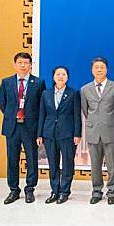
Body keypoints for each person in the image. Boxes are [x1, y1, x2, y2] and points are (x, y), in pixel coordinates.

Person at [0, 52, 46, 204]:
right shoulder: (6, 82)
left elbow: (41, 107)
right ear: (15, 65)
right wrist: (13, 115)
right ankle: (13, 190)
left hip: (30, 127)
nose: (23, 65)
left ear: (31, 65)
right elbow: (2, 103)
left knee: (32, 159)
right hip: (12, 126)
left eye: (26, 63)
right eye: (20, 62)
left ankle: (30, 189)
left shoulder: (38, 83)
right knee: (12, 159)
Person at [37, 66, 81, 204]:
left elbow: (76, 115)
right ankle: (55, 191)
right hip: (49, 133)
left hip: (67, 133)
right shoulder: (46, 94)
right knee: (53, 164)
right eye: (58, 74)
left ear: (67, 77)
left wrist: (77, 133)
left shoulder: (73, 93)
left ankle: (64, 192)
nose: (60, 76)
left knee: (68, 163)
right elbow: (42, 115)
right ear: (53, 77)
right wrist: (39, 134)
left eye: (63, 74)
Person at [80, 57, 114, 205]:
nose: (99, 69)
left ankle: (112, 191)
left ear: (107, 69)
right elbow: (86, 111)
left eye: (102, 67)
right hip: (93, 132)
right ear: (92, 70)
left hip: (111, 130)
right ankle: (96, 190)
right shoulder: (84, 89)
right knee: (95, 164)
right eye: (96, 67)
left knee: (113, 164)